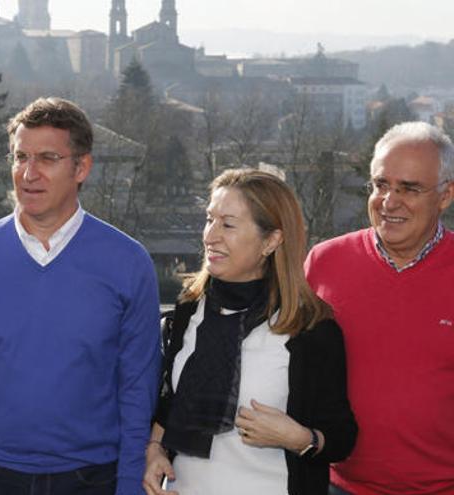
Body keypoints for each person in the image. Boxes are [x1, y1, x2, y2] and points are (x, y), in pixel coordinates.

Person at [0, 97, 161, 495]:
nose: (28, 173)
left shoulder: (128, 262)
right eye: (20, 157)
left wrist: (128, 486)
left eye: (47, 158)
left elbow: (138, 389)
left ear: (81, 167)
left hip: (91, 478)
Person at [144, 169, 357, 495]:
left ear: (271, 240)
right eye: (209, 219)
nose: (210, 235)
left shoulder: (311, 330)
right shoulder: (189, 310)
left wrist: (298, 438)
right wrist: (155, 450)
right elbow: (169, 403)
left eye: (228, 224)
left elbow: (341, 438)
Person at [305, 122, 454, 495]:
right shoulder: (324, 263)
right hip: (336, 486)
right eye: (381, 185)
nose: (389, 202)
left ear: (446, 195)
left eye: (409, 188)